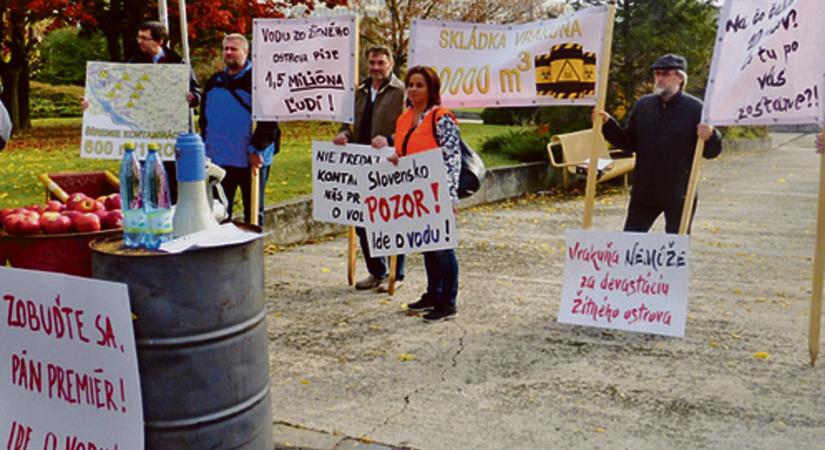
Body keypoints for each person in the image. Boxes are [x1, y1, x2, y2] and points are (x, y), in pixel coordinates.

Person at [592, 53, 722, 234]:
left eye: (664, 74)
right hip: (644, 192)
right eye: (657, 74)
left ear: (680, 78)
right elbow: (629, 142)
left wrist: (712, 135)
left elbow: (712, 152)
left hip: (680, 193)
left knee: (675, 250)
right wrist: (608, 125)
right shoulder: (643, 105)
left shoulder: (697, 109)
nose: (659, 78)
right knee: (630, 243)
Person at [372, 66, 461, 322]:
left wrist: (450, 195)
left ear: (431, 89)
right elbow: (406, 149)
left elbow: (452, 157)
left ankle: (448, 302)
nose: (412, 89)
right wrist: (396, 158)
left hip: (437, 192)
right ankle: (433, 294)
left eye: (419, 85)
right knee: (427, 245)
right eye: (410, 84)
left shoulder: (441, 117)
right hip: (415, 194)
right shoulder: (404, 118)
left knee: (443, 248)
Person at [334, 46, 406, 292]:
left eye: (381, 63)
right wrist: (343, 134)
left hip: (389, 162)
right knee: (362, 219)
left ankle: (396, 273)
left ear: (391, 64)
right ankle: (377, 271)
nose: (376, 67)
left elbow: (412, 126)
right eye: (372, 62)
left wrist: (391, 139)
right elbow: (348, 123)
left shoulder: (402, 92)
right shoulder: (359, 92)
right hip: (359, 162)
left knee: (392, 217)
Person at [199, 33, 280, 225]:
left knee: (252, 213)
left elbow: (269, 121)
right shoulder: (214, 81)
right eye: (225, 49)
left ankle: (251, 253)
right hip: (220, 159)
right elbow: (205, 118)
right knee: (218, 211)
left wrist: (257, 148)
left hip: (250, 159)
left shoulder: (260, 82)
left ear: (245, 51)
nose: (228, 53)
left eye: (233, 49)